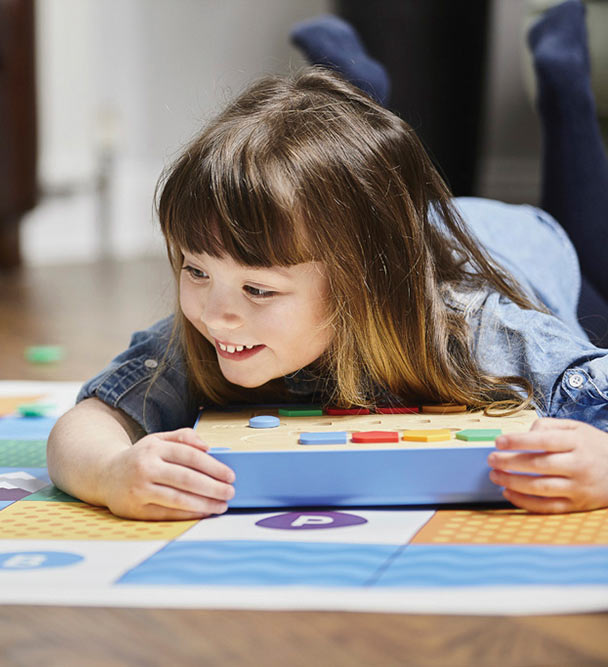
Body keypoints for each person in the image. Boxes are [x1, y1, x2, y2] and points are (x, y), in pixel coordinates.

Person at [46, 1, 608, 520]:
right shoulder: (203, 334)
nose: (216, 314)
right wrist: (110, 471)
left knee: (596, 256)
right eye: (196, 270)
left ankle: (565, 100)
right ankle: (348, 94)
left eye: (258, 290)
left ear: (362, 288)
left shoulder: (480, 329)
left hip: (509, 244)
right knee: (347, 199)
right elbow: (88, 422)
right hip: (387, 232)